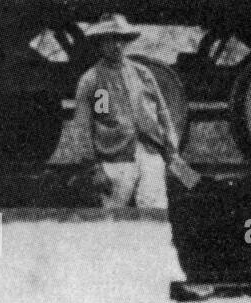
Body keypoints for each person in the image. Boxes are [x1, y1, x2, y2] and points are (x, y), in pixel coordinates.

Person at [71, 14, 182, 210]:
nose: (117, 45)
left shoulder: (142, 73)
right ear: (100, 43)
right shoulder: (91, 80)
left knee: (154, 212)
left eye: (121, 39)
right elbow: (83, 127)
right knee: (114, 216)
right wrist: (94, 168)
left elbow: (162, 112)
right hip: (114, 160)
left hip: (149, 153)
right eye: (111, 39)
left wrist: (172, 147)